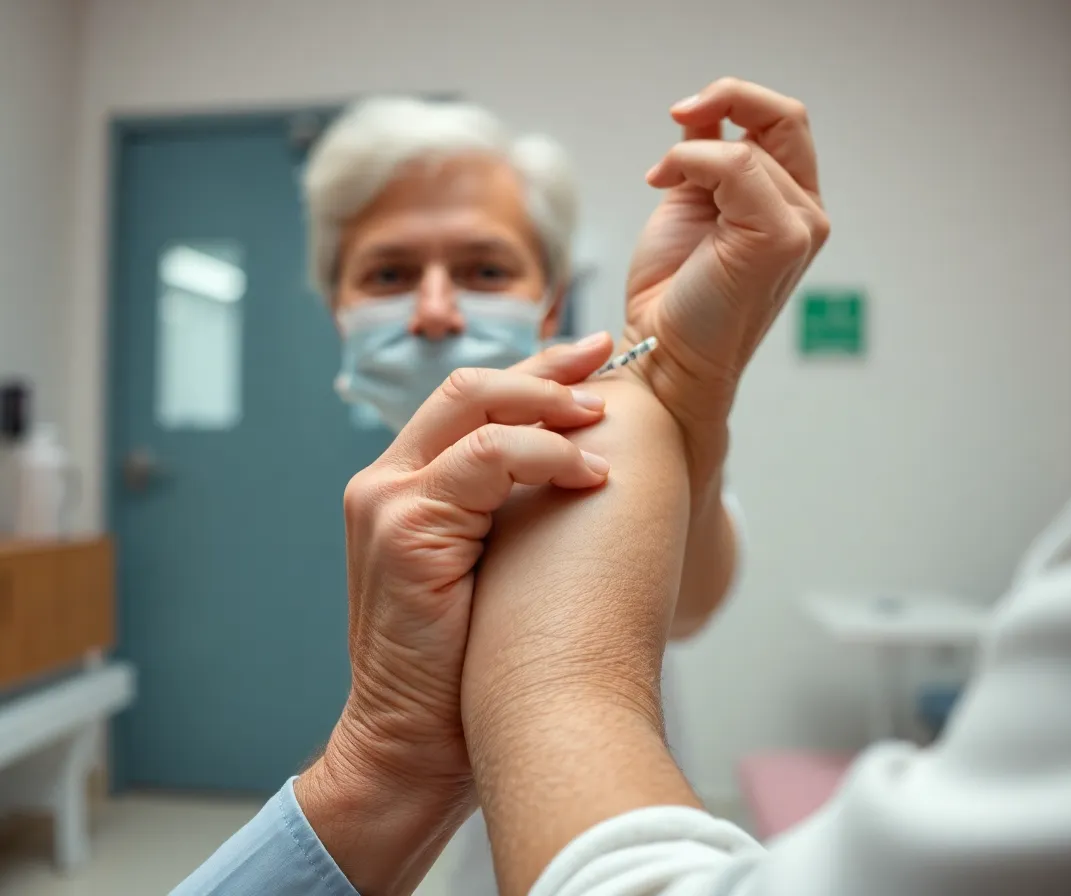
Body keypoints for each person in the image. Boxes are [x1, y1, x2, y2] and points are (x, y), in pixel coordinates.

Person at [175, 75, 807, 895]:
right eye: (390, 274)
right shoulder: (380, 495)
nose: (435, 309)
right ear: (337, 306)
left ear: (547, 304)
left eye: (482, 267)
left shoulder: (591, 422)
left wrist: (692, 399)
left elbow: (689, 601)